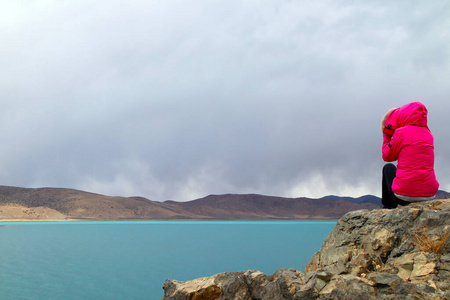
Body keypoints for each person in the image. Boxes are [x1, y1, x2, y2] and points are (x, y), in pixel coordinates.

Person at [381, 101, 439, 209]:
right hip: (429, 195)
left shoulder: (401, 133)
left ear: (404, 115)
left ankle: (387, 208)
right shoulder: (429, 135)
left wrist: (386, 135)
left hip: (403, 196)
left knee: (388, 168)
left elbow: (387, 156)